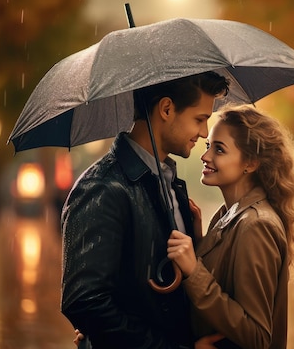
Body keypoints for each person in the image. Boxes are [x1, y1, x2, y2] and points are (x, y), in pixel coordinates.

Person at [61, 71, 229, 348]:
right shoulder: (102, 188)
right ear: (166, 109)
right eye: (200, 119)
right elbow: (85, 301)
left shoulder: (170, 184)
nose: (203, 132)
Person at [167, 104, 294, 349]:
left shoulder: (255, 225)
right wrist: (200, 242)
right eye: (209, 146)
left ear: (250, 163)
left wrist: (193, 271)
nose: (205, 156)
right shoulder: (231, 215)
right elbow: (226, 285)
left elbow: (257, 337)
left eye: (219, 149)